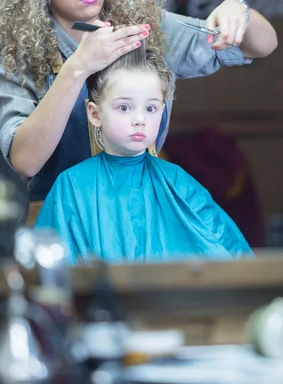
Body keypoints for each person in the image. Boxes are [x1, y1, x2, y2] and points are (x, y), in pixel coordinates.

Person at [0, 0, 278, 202]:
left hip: (143, 210)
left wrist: (241, 11)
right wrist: (78, 68)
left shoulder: (146, 25)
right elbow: (26, 161)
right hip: (61, 217)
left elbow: (262, 46)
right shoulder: (9, 53)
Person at [34, 45, 252, 263]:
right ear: (94, 114)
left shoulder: (178, 183)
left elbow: (235, 259)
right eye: (124, 107)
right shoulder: (71, 186)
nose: (140, 119)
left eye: (151, 108)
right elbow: (51, 272)